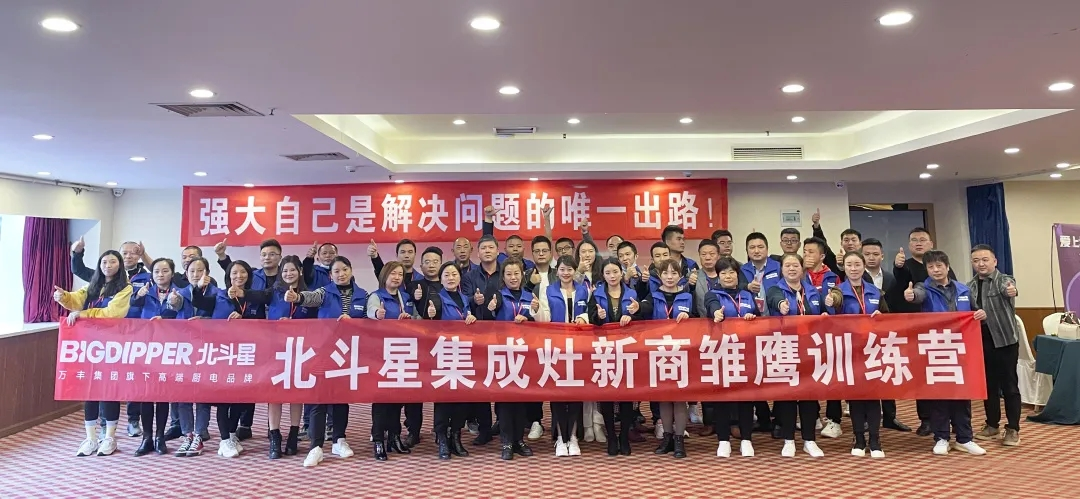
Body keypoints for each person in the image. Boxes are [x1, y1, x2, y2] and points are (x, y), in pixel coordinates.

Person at [904, 250, 987, 456]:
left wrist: (981, 314)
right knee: (939, 394)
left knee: (962, 395)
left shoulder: (963, 289)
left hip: (961, 349)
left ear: (947, 267)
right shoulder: (924, 288)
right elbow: (917, 296)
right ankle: (941, 437)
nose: (935, 270)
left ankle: (964, 438)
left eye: (939, 266)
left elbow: (976, 312)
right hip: (936, 349)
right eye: (931, 267)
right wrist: (911, 296)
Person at [638, 258, 720, 459]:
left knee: (679, 398)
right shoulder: (653, 296)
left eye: (674, 273)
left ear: (681, 276)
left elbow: (699, 319)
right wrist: (635, 310)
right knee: (664, 398)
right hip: (659, 354)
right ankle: (666, 437)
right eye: (665, 273)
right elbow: (643, 311)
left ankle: (679, 439)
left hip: (682, 354)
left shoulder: (687, 296)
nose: (669, 277)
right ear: (659, 276)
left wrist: (689, 318)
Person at [234, 255, 313, 459]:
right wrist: (241, 292)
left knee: (296, 393)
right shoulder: (275, 291)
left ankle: (293, 434)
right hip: (276, 349)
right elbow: (257, 295)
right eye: (285, 270)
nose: (288, 274)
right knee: (275, 393)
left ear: (300, 271)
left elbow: (316, 322)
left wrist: (295, 324)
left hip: (300, 350)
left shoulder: (307, 294)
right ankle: (274, 435)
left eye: (292, 270)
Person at [55, 250, 132, 457]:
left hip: (112, 345)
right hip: (89, 345)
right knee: (89, 390)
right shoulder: (93, 285)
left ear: (119, 265)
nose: (108, 265)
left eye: (113, 261)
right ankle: (91, 438)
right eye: (104, 262)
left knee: (108, 390)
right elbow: (76, 300)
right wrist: (63, 297)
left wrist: (84, 314)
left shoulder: (125, 288)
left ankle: (110, 437)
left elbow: (112, 313)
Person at [288, 256, 364, 465]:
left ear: (351, 270)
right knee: (318, 399)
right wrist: (297, 297)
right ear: (330, 275)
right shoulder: (324, 292)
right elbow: (310, 298)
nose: (341, 274)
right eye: (336, 271)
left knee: (341, 399)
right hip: (323, 352)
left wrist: (355, 322)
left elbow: (369, 322)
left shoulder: (363, 295)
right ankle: (316, 446)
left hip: (348, 355)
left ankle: (339, 440)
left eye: (344, 269)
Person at [72, 240, 150, 437]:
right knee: (104, 380)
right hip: (103, 337)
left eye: (134, 252)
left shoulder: (146, 277)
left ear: (139, 255)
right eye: (125, 252)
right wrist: (77, 252)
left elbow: (163, 276)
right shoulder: (103, 276)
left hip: (134, 335)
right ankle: (103, 425)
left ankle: (133, 419)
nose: (129, 255)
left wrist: (146, 256)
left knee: (132, 378)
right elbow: (78, 269)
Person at [215, 238, 282, 440]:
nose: (267, 258)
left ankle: (272, 428)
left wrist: (244, 293)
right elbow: (235, 272)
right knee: (245, 380)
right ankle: (244, 425)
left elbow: (265, 296)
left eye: (272, 254)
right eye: (264, 254)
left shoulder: (285, 274)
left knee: (263, 381)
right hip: (245, 341)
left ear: (279, 256)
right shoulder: (255, 275)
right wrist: (222, 257)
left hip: (274, 335)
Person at [892, 227, 956, 435]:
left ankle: (954, 420)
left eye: (922, 239)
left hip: (946, 333)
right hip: (918, 331)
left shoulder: (943, 267)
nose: (918, 243)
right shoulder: (906, 266)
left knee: (947, 375)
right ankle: (926, 419)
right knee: (923, 375)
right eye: (914, 240)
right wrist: (898, 267)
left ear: (931, 243)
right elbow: (904, 286)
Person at [825, 251, 886, 458]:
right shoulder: (838, 291)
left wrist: (881, 316)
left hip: (872, 349)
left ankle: (875, 440)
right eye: (849, 265)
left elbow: (888, 316)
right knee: (856, 396)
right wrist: (830, 303)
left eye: (857, 264)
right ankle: (859, 438)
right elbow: (834, 305)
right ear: (844, 267)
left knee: (873, 396)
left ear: (863, 266)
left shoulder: (875, 291)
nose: (853, 268)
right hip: (849, 350)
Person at [766, 253, 827, 458]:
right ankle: (789, 439)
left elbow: (822, 313)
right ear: (781, 269)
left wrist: (826, 314)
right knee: (788, 396)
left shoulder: (812, 291)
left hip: (809, 349)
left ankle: (809, 440)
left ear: (802, 269)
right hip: (785, 348)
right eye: (787, 266)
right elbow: (774, 300)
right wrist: (781, 305)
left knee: (809, 395)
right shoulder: (775, 289)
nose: (792, 269)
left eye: (795, 266)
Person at [130, 257, 190, 456]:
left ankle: (160, 437)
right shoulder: (145, 291)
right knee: (146, 394)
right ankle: (147, 438)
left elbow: (182, 316)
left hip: (169, 349)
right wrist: (138, 296)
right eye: (156, 271)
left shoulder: (180, 292)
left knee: (163, 394)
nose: (160, 275)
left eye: (165, 271)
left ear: (172, 273)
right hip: (146, 348)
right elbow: (132, 310)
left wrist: (167, 314)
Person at [483, 258, 539, 460]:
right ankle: (506, 441)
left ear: (522, 275)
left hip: (524, 354)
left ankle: (519, 439)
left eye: (516, 273)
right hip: (503, 354)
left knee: (521, 399)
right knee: (505, 400)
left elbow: (538, 324)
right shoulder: (498, 295)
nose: (513, 278)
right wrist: (490, 308)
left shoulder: (530, 296)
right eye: (508, 274)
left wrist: (532, 314)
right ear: (503, 277)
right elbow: (488, 318)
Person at [535, 256, 590, 455]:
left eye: (570, 270)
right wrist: (536, 310)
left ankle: (573, 437)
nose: (566, 273)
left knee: (575, 393)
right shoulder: (548, 290)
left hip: (579, 347)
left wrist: (583, 318)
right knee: (557, 393)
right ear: (556, 271)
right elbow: (544, 317)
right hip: (556, 347)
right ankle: (560, 437)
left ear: (575, 271)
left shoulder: (583, 290)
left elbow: (590, 311)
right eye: (562, 269)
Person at [968, 245, 1021, 447]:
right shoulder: (970, 286)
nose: (980, 264)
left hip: (1005, 341)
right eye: (976, 260)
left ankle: (1013, 428)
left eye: (985, 260)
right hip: (981, 342)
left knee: (1009, 386)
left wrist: (1012, 291)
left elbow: (1010, 287)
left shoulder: (1003, 280)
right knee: (988, 385)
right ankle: (992, 424)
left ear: (995, 261)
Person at [424, 262, 478, 460]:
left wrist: (471, 319)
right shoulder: (436, 298)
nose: (451, 277)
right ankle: (442, 438)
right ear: (441, 278)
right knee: (444, 399)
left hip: (462, 353)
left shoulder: (464, 298)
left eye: (454, 274)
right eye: (446, 274)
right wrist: (431, 315)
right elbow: (430, 317)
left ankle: (456, 436)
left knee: (461, 398)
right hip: (444, 354)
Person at [706, 257, 759, 458]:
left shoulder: (747, 295)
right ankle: (723, 440)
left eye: (731, 272)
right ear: (718, 276)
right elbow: (711, 307)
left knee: (746, 397)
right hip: (722, 352)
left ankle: (746, 439)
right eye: (723, 273)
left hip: (746, 352)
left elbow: (760, 317)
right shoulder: (713, 294)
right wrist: (716, 314)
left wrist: (753, 318)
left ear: (738, 274)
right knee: (722, 398)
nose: (728, 276)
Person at [588, 258, 641, 456]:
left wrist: (633, 315)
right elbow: (591, 318)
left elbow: (642, 319)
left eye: (615, 272)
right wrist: (599, 317)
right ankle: (611, 436)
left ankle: (624, 437)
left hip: (627, 350)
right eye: (608, 273)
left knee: (626, 395)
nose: (612, 276)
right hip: (605, 351)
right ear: (603, 275)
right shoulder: (597, 294)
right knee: (607, 395)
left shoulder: (631, 293)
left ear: (621, 273)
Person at [366, 261, 416, 457]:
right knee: (381, 399)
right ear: (384, 276)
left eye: (400, 274)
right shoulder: (376, 296)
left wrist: (410, 320)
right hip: (381, 355)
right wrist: (377, 314)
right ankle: (378, 439)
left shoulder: (406, 297)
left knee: (397, 398)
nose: (396, 277)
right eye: (393, 273)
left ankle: (394, 437)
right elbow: (370, 311)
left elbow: (417, 320)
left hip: (401, 353)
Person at [860, 238, 909, 432]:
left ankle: (890, 417)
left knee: (887, 372)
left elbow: (897, 302)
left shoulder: (890, 278)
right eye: (867, 254)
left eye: (875, 254)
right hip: (863, 334)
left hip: (887, 332)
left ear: (882, 255)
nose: (871, 258)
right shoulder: (857, 276)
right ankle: (866, 417)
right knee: (867, 375)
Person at [173, 256, 216, 457]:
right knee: (183, 394)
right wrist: (171, 304)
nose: (196, 274)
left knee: (201, 394)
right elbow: (172, 308)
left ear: (208, 273)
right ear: (186, 274)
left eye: (200, 270)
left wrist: (205, 321)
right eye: (192, 271)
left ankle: (199, 435)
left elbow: (220, 317)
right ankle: (187, 434)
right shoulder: (180, 293)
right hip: (183, 350)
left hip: (207, 350)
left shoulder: (217, 292)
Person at [740, 232, 783, 436]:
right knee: (755, 373)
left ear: (767, 248)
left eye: (760, 247)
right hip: (752, 327)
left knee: (780, 372)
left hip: (777, 325)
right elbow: (734, 288)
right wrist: (746, 286)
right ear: (747, 251)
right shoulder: (742, 270)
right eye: (752, 247)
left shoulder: (778, 266)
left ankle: (780, 420)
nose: (756, 251)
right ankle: (763, 416)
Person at [461, 234, 502, 445]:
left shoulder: (506, 272)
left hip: (503, 335)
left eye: (490, 248)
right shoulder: (470, 276)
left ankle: (503, 425)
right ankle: (484, 428)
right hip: (477, 336)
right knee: (481, 381)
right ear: (477, 253)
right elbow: (463, 300)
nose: (487, 251)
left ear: (497, 251)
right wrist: (473, 300)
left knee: (504, 379)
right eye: (483, 248)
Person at [522, 236, 558, 441]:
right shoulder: (525, 275)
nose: (541, 254)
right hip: (532, 333)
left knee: (556, 376)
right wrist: (529, 284)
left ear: (550, 253)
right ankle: (536, 421)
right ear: (532, 254)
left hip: (558, 332)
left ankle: (558, 422)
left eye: (545, 250)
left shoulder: (559, 273)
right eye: (537, 251)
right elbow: (519, 299)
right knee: (534, 376)